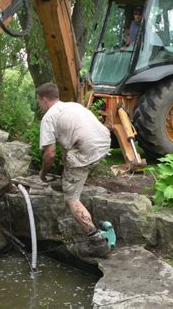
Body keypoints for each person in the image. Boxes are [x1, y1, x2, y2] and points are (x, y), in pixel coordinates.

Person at [36, 82, 111, 240]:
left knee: (72, 199)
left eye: (39, 101)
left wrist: (43, 173)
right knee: (72, 163)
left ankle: (95, 237)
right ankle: (74, 180)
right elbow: (66, 146)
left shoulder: (49, 118)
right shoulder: (72, 106)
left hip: (86, 151)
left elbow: (49, 154)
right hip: (104, 143)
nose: (39, 105)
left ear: (43, 99)